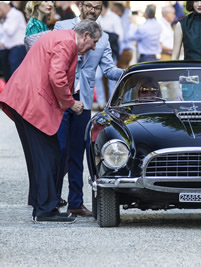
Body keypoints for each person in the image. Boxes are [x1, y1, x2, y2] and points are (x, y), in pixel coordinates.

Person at [0, 19, 101, 224]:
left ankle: (41, 204)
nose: (94, 47)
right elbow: (57, 76)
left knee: (41, 155)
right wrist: (70, 102)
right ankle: (45, 210)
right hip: (31, 102)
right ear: (86, 36)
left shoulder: (59, 37)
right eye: (94, 42)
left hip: (23, 99)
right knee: (49, 155)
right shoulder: (67, 43)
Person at [54, 1, 124, 217]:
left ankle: (76, 202)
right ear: (80, 5)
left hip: (82, 101)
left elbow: (109, 70)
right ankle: (52, 199)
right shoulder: (61, 27)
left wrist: (131, 73)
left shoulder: (103, 37)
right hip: (60, 99)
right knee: (59, 149)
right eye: (88, 6)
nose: (92, 11)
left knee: (78, 152)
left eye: (97, 7)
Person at [0, 2, 26, 82]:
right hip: (7, 48)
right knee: (7, 74)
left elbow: (10, 32)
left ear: (5, 7)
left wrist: (2, 21)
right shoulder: (5, 18)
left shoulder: (16, 14)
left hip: (18, 47)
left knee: (15, 74)